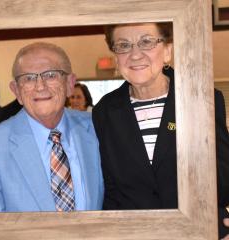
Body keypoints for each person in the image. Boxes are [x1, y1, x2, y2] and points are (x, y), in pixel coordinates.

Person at [92, 22, 229, 239]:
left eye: (146, 42)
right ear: (116, 56)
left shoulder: (202, 99)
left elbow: (223, 177)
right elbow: (110, 190)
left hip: (201, 233)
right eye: (123, 45)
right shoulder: (104, 111)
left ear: (167, 50)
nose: (135, 55)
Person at [0, 42, 104, 212]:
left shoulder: (99, 129)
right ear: (16, 91)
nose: (40, 86)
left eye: (51, 75)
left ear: (69, 84)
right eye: (28, 78)